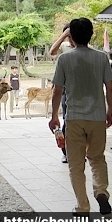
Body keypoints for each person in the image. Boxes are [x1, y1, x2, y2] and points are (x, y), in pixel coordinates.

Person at [49, 18, 112, 216]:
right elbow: (110, 87)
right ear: (91, 35)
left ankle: (83, 206)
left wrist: (54, 116)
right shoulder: (101, 57)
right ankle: (101, 192)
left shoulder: (65, 59)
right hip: (97, 116)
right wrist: (109, 110)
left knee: (75, 165)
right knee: (97, 159)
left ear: (71, 36)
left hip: (74, 117)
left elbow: (57, 90)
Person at [49, 24, 75, 163]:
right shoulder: (65, 46)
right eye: (68, 36)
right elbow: (52, 51)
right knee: (67, 121)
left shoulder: (86, 48)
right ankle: (65, 151)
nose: (70, 39)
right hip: (65, 90)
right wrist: (64, 35)